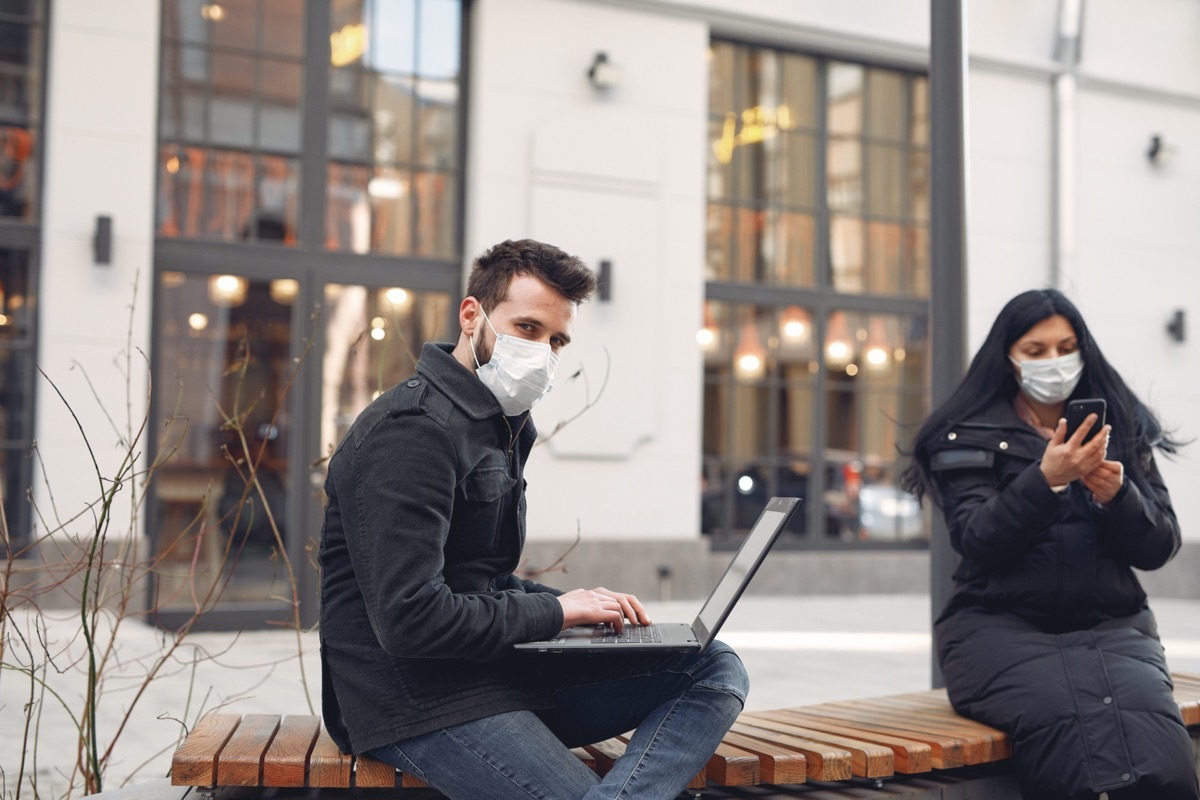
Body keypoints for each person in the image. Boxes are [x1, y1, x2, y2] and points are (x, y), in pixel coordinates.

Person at [319, 239, 749, 800]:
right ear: (471, 316)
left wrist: (576, 612)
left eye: (557, 340)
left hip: (486, 673)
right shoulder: (412, 433)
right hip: (411, 699)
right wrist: (553, 612)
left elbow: (476, 579)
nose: (543, 352)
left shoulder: (498, 423)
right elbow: (411, 620)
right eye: (526, 328)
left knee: (711, 665)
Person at [901, 289, 1198, 800]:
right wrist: (1046, 480)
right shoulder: (964, 436)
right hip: (995, 628)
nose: (1054, 362)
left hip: (1113, 624)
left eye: (1065, 347)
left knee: (1150, 728)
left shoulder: (1120, 426)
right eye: (1035, 351)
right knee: (1065, 717)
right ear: (1008, 358)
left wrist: (1117, 495)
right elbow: (977, 540)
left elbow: (1158, 547)